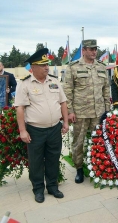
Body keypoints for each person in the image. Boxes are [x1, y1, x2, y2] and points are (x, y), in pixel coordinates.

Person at [14, 48, 69, 203]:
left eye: (47, 64)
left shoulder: (54, 81)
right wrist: (22, 131)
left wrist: (65, 122)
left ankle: (52, 186)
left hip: (54, 128)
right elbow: (20, 108)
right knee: (36, 160)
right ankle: (38, 189)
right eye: (43, 65)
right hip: (35, 130)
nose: (47, 67)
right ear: (33, 67)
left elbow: (63, 102)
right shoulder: (25, 84)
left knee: (53, 158)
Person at [64, 39, 111, 184]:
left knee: (99, 141)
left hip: (98, 112)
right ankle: (79, 169)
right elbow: (67, 91)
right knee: (79, 142)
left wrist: (107, 111)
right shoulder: (73, 67)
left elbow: (106, 90)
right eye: (90, 49)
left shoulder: (101, 67)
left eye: (95, 49)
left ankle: (98, 167)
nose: (94, 52)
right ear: (83, 50)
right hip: (80, 113)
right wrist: (70, 111)